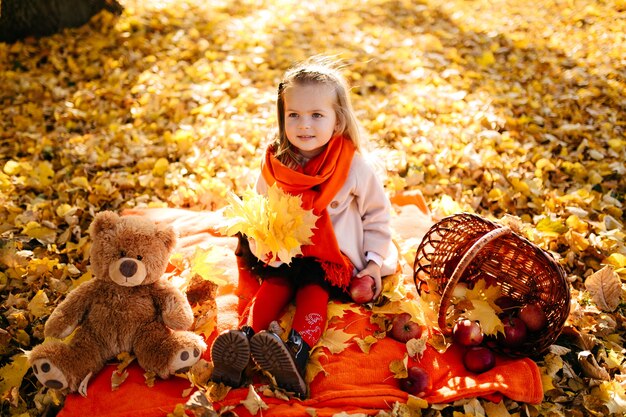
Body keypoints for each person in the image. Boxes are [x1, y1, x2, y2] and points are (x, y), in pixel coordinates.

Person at [210, 56, 398, 398]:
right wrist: (264, 244)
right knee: (276, 281)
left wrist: (373, 263)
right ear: (282, 117)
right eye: (293, 115)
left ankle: (296, 352)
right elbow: (260, 211)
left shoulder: (354, 165)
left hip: (332, 257)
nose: (304, 125)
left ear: (337, 121)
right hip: (286, 248)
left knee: (314, 286)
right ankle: (243, 342)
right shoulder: (276, 161)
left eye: (316, 115)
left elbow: (377, 216)